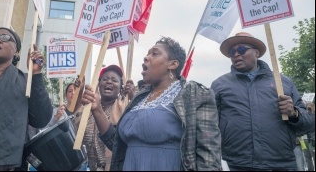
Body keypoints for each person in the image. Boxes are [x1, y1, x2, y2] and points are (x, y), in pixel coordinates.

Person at [81, 36, 222, 171]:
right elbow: (116, 144)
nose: (146, 57)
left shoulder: (194, 95)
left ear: (173, 64)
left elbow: (208, 157)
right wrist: (97, 109)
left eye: (154, 54)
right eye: (147, 54)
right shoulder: (139, 99)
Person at [211, 32, 313, 171]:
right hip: (238, 164)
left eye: (241, 49)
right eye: (231, 51)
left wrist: (294, 113)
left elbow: (308, 124)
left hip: (282, 163)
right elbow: (210, 125)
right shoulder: (219, 85)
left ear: (256, 53)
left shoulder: (283, 82)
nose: (235, 54)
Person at [0, 27, 53, 171]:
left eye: (6, 38)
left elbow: (41, 119)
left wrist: (36, 75)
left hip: (5, 165)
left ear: (16, 51)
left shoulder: (26, 82)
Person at [74, 64, 124, 171]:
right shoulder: (88, 109)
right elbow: (76, 131)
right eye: (105, 79)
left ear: (120, 88)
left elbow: (118, 144)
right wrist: (79, 92)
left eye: (114, 80)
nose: (109, 82)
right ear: (99, 84)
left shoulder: (124, 110)